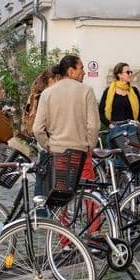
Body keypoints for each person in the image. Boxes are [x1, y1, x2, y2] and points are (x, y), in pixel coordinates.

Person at [33, 55, 99, 190]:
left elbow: (37, 129)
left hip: (58, 152)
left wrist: (48, 146)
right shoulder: (87, 91)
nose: (84, 72)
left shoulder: (47, 93)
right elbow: (93, 126)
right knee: (88, 192)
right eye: (81, 68)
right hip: (81, 151)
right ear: (71, 71)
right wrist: (89, 147)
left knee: (60, 192)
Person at [99, 62, 140, 149]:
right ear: (119, 74)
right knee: (121, 154)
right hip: (116, 128)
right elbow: (100, 112)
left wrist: (138, 123)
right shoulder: (108, 91)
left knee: (135, 154)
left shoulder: (134, 91)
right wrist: (110, 125)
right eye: (127, 72)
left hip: (132, 128)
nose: (130, 74)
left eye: (131, 72)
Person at [22, 66, 61, 138]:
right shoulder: (42, 96)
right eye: (59, 79)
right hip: (46, 137)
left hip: (40, 136)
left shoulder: (36, 93)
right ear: (51, 79)